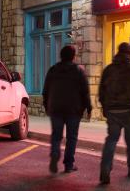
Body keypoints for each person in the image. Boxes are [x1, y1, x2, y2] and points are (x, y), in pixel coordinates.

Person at [98, 42, 130, 185]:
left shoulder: (108, 69)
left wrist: (105, 108)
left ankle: (105, 169)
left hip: (113, 111)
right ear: (129, 53)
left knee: (111, 140)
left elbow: (101, 91)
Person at [42, 44, 92, 174]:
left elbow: (46, 90)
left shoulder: (53, 70)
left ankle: (54, 154)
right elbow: (85, 91)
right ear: (73, 57)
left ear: (61, 56)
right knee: (72, 137)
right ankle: (69, 164)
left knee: (56, 136)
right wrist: (89, 107)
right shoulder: (79, 71)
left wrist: (47, 105)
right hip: (73, 110)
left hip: (56, 108)